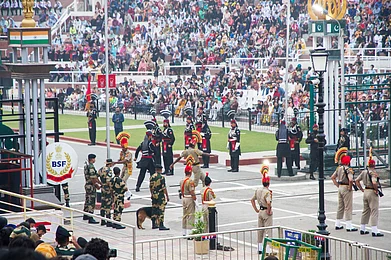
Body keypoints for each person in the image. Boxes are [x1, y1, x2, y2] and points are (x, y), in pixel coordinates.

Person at [355, 156, 384, 237]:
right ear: (374, 166)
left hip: (366, 191)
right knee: (374, 211)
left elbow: (356, 181)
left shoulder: (364, 172)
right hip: (371, 191)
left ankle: (362, 228)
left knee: (365, 211)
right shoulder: (373, 173)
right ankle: (374, 230)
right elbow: (374, 183)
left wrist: (361, 189)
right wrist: (376, 190)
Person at [331, 149, 357, 231]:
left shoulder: (339, 168)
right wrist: (350, 187)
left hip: (340, 187)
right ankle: (349, 225)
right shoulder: (348, 169)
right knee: (348, 207)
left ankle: (337, 223)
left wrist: (337, 185)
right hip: (346, 187)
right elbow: (350, 179)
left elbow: (333, 177)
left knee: (340, 206)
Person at [251, 164, 273, 255]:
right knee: (268, 231)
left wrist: (256, 209)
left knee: (260, 231)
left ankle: (259, 248)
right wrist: (269, 210)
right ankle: (268, 250)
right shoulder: (267, 192)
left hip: (260, 211)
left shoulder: (258, 190)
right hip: (265, 212)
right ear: (269, 183)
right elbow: (268, 202)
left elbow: (252, 200)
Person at [149, 164, 170, 230]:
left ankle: (153, 224)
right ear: (160, 169)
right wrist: (167, 196)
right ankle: (161, 224)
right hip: (160, 195)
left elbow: (150, 187)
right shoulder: (161, 177)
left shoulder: (152, 177)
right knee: (161, 209)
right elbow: (164, 188)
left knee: (154, 208)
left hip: (154, 194)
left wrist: (152, 194)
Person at [83, 154, 101, 224]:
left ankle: (85, 214)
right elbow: (93, 178)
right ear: (92, 159)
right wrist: (97, 185)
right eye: (94, 159)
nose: (95, 160)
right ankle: (90, 216)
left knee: (87, 200)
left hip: (87, 185)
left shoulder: (87, 165)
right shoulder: (91, 167)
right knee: (91, 201)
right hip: (91, 186)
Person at [180, 163, 196, 237]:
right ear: (190, 172)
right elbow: (191, 191)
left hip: (184, 198)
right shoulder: (190, 181)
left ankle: (184, 231)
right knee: (191, 215)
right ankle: (189, 232)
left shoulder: (182, 180)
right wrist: (194, 197)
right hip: (189, 198)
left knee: (185, 215)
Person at [98, 159, 114, 227]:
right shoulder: (109, 171)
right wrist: (111, 189)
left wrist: (100, 183)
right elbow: (108, 181)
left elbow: (96, 176)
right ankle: (108, 220)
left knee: (103, 204)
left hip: (103, 188)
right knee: (108, 204)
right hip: (107, 189)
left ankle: (102, 220)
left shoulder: (101, 169)